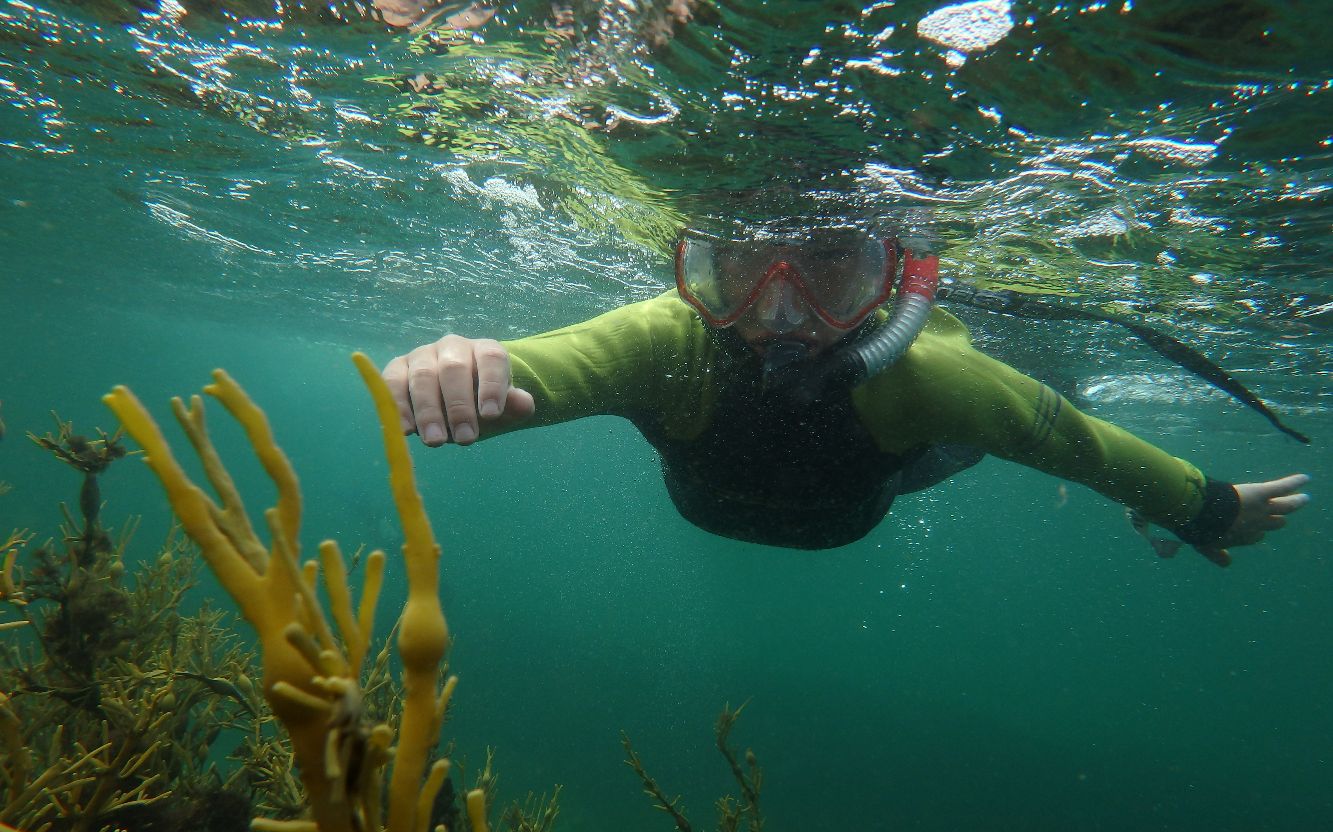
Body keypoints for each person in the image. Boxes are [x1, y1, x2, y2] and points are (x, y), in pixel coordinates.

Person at [383, 217, 1310, 564]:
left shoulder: (926, 373)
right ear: (698, 264)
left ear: (887, 278)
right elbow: (532, 370)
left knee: (1000, 419)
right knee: (997, 418)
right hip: (817, 508)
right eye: (741, 263)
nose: (779, 309)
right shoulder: (665, 340)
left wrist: (1202, 504)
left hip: (879, 487)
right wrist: (453, 371)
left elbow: (1077, 443)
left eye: (827, 268)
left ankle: (1038, 360)